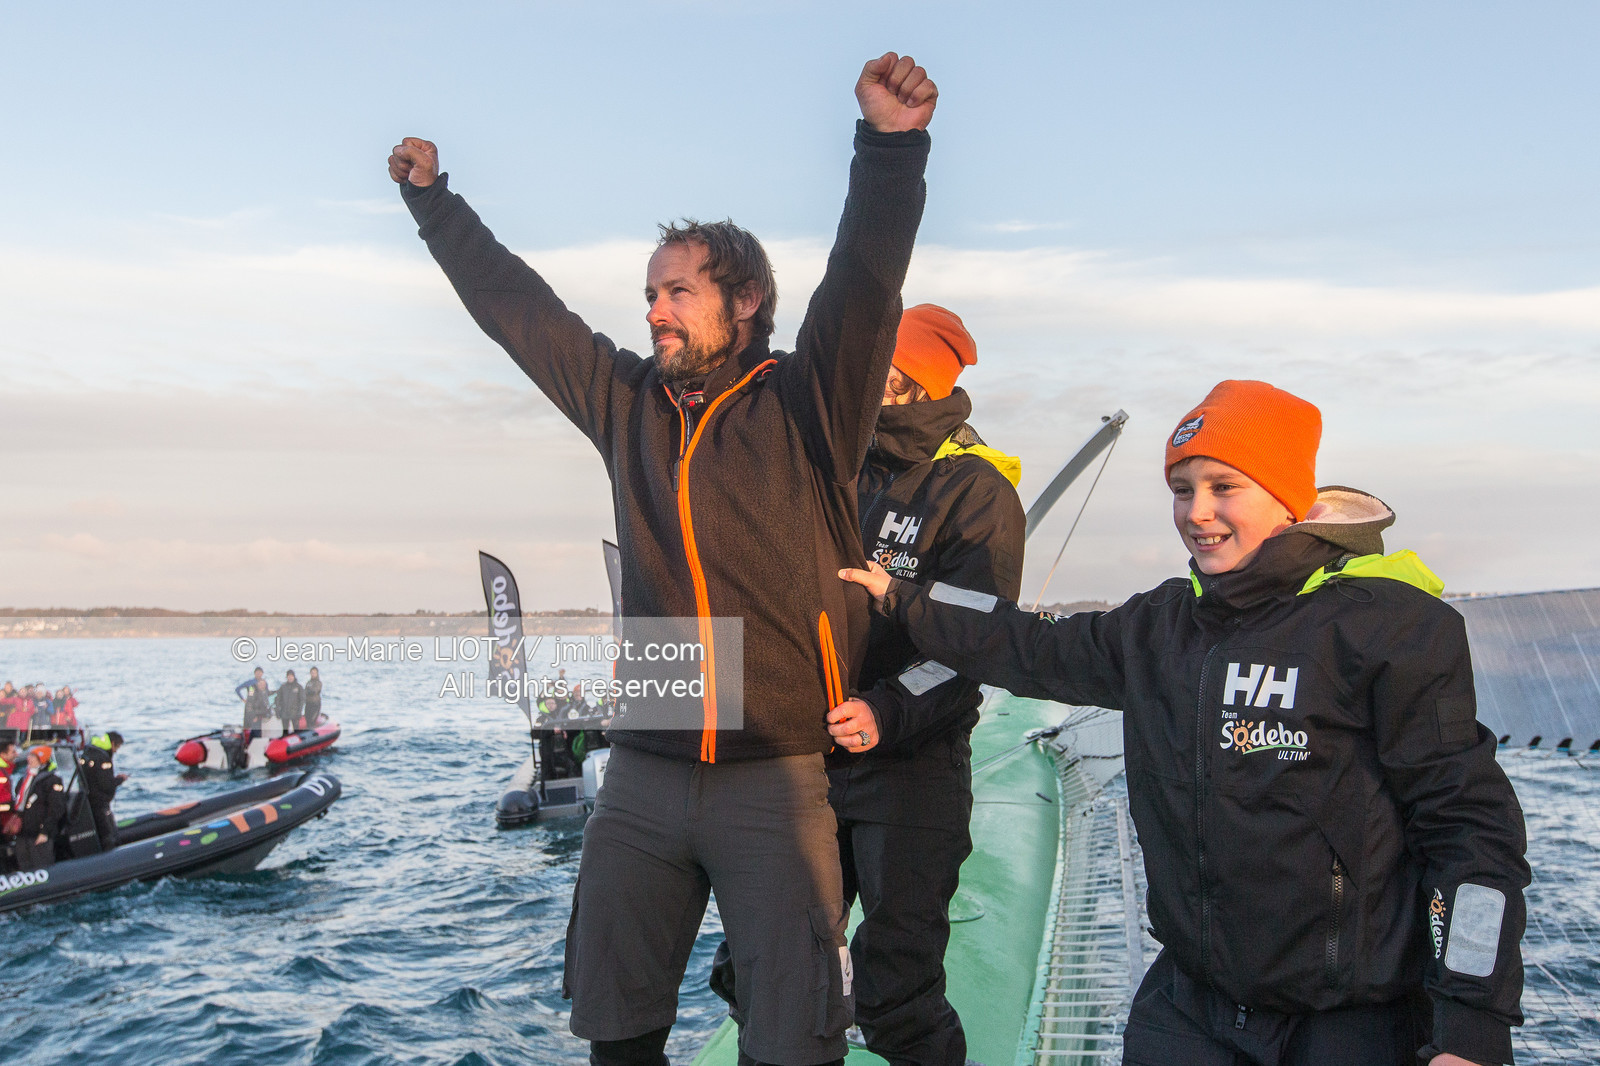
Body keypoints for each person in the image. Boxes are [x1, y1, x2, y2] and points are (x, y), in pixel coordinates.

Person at [390, 51, 938, 1066]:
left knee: (792, 1038)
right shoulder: (625, 403)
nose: (654, 311)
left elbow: (864, 283)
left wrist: (889, 149)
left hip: (773, 772)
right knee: (615, 1025)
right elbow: (522, 313)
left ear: (745, 301)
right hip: (641, 770)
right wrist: (437, 208)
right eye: (649, 294)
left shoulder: (805, 404)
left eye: (679, 292)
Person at [842, 379, 1528, 1066]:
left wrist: (1471, 1026)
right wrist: (905, 599)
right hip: (1190, 1007)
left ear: (1288, 495)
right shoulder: (1160, 626)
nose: (1198, 512)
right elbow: (1029, 644)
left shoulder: (1389, 628)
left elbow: (1468, 829)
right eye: (1181, 489)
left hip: (1350, 1022)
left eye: (1225, 486)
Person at [816, 305, 1024, 1066]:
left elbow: (978, 645)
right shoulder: (835, 466)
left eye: (883, 374)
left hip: (912, 768)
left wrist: (889, 707)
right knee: (761, 967)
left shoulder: (976, 494)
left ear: (913, 383)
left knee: (896, 994)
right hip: (811, 762)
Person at [14, 745, 65, 871]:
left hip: (39, 833)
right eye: (30, 756)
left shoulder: (52, 780)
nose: (29, 759)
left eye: (33, 757)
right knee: (24, 863)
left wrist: (45, 832)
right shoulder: (25, 779)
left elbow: (56, 808)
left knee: (41, 864)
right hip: (23, 832)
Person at [79, 731, 127, 851]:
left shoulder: (89, 752)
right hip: (100, 803)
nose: (116, 751)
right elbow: (106, 785)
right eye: (117, 747)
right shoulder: (103, 758)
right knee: (108, 834)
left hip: (89, 801)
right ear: (113, 743)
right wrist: (119, 780)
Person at [272, 670, 304, 735]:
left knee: (296, 730)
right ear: (287, 677)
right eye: (288, 676)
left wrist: (299, 712)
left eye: (291, 676)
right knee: (285, 731)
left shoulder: (298, 687)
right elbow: (278, 699)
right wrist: (277, 711)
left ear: (294, 677)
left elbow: (302, 700)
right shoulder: (283, 687)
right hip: (284, 713)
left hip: (294, 713)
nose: (290, 677)